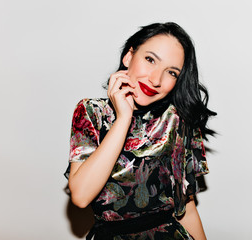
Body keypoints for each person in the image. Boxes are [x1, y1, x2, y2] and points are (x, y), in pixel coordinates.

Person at [64, 22, 216, 240]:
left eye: (171, 72)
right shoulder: (90, 112)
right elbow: (80, 196)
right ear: (128, 56)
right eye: (150, 59)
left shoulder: (177, 120)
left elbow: (186, 209)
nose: (155, 79)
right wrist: (123, 118)